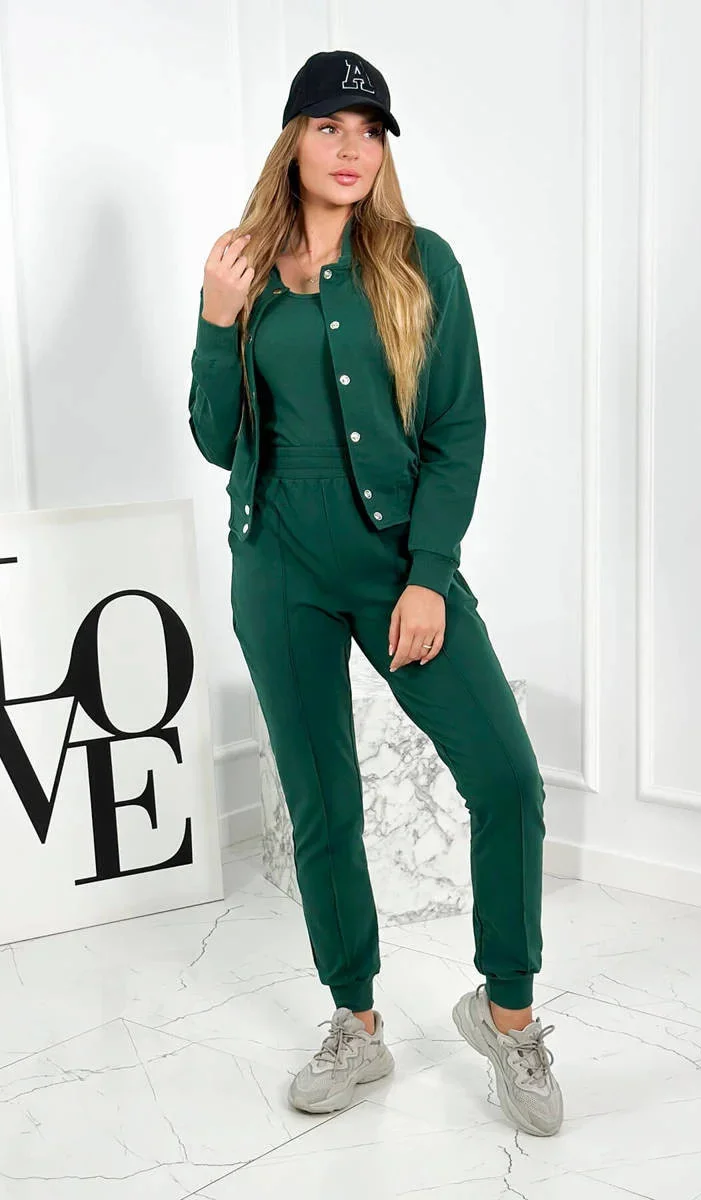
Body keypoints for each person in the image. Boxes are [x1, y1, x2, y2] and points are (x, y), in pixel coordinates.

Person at [188, 49, 563, 1136]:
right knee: (324, 803)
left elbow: (457, 430)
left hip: (396, 564)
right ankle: (355, 1025)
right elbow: (215, 438)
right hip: (277, 569)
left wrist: (429, 576)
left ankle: (506, 1015)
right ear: (293, 140)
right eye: (328, 127)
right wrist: (215, 319)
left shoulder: (420, 263)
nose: (351, 149)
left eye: (369, 131)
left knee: (506, 778)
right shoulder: (240, 266)